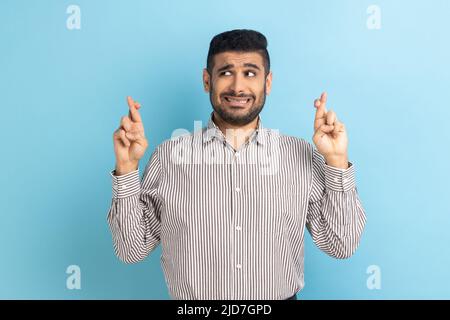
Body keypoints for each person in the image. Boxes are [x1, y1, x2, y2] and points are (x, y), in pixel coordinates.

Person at [108, 29, 366, 300]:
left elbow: (342, 244)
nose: (238, 87)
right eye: (226, 72)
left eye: (250, 73)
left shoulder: (299, 154)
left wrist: (336, 162)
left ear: (268, 83)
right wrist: (126, 168)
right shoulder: (168, 158)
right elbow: (131, 249)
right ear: (207, 80)